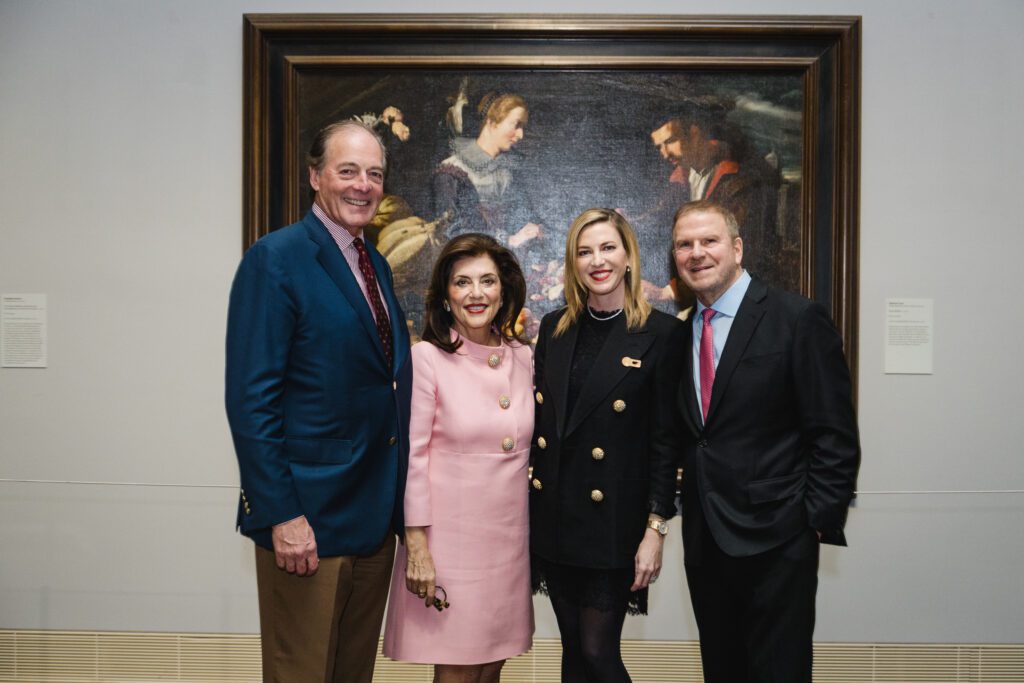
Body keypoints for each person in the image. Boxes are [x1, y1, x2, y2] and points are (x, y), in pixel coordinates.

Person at [225, 120, 411, 683]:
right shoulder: (276, 259)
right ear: (315, 176)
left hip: (372, 521)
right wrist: (281, 514)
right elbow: (251, 400)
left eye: (374, 173)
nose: (363, 185)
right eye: (347, 170)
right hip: (307, 522)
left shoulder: (374, 264)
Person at [670, 200, 860, 682]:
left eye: (709, 241)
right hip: (706, 541)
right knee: (722, 670)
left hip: (780, 539)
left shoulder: (796, 319)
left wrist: (813, 524)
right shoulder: (679, 334)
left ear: (737, 248)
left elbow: (834, 433)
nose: (696, 253)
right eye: (684, 245)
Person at [529, 209, 685, 682]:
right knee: (573, 651)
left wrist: (655, 529)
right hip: (555, 519)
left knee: (598, 651)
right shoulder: (554, 328)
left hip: (613, 523)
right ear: (573, 263)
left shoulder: (662, 333)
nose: (597, 261)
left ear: (628, 256)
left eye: (607, 248)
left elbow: (665, 443)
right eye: (585, 251)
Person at [383, 233, 534, 682]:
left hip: (508, 547)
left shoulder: (523, 357)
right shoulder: (427, 358)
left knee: (491, 668)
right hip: (449, 547)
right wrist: (417, 547)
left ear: (503, 290)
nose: (475, 293)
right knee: (458, 672)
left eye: (487, 281)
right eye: (462, 282)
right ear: (445, 296)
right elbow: (413, 458)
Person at [648, 112, 780, 297]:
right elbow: (659, 217)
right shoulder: (681, 176)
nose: (664, 154)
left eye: (670, 141)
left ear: (695, 134)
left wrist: (669, 292)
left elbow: (733, 253)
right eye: (659, 147)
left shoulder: (737, 179)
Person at [434, 92, 541, 249]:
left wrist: (533, 230)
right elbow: (451, 232)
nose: (521, 135)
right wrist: (508, 240)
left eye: (522, 127)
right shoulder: (451, 171)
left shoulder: (507, 172)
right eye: (516, 125)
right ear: (492, 123)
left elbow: (524, 215)